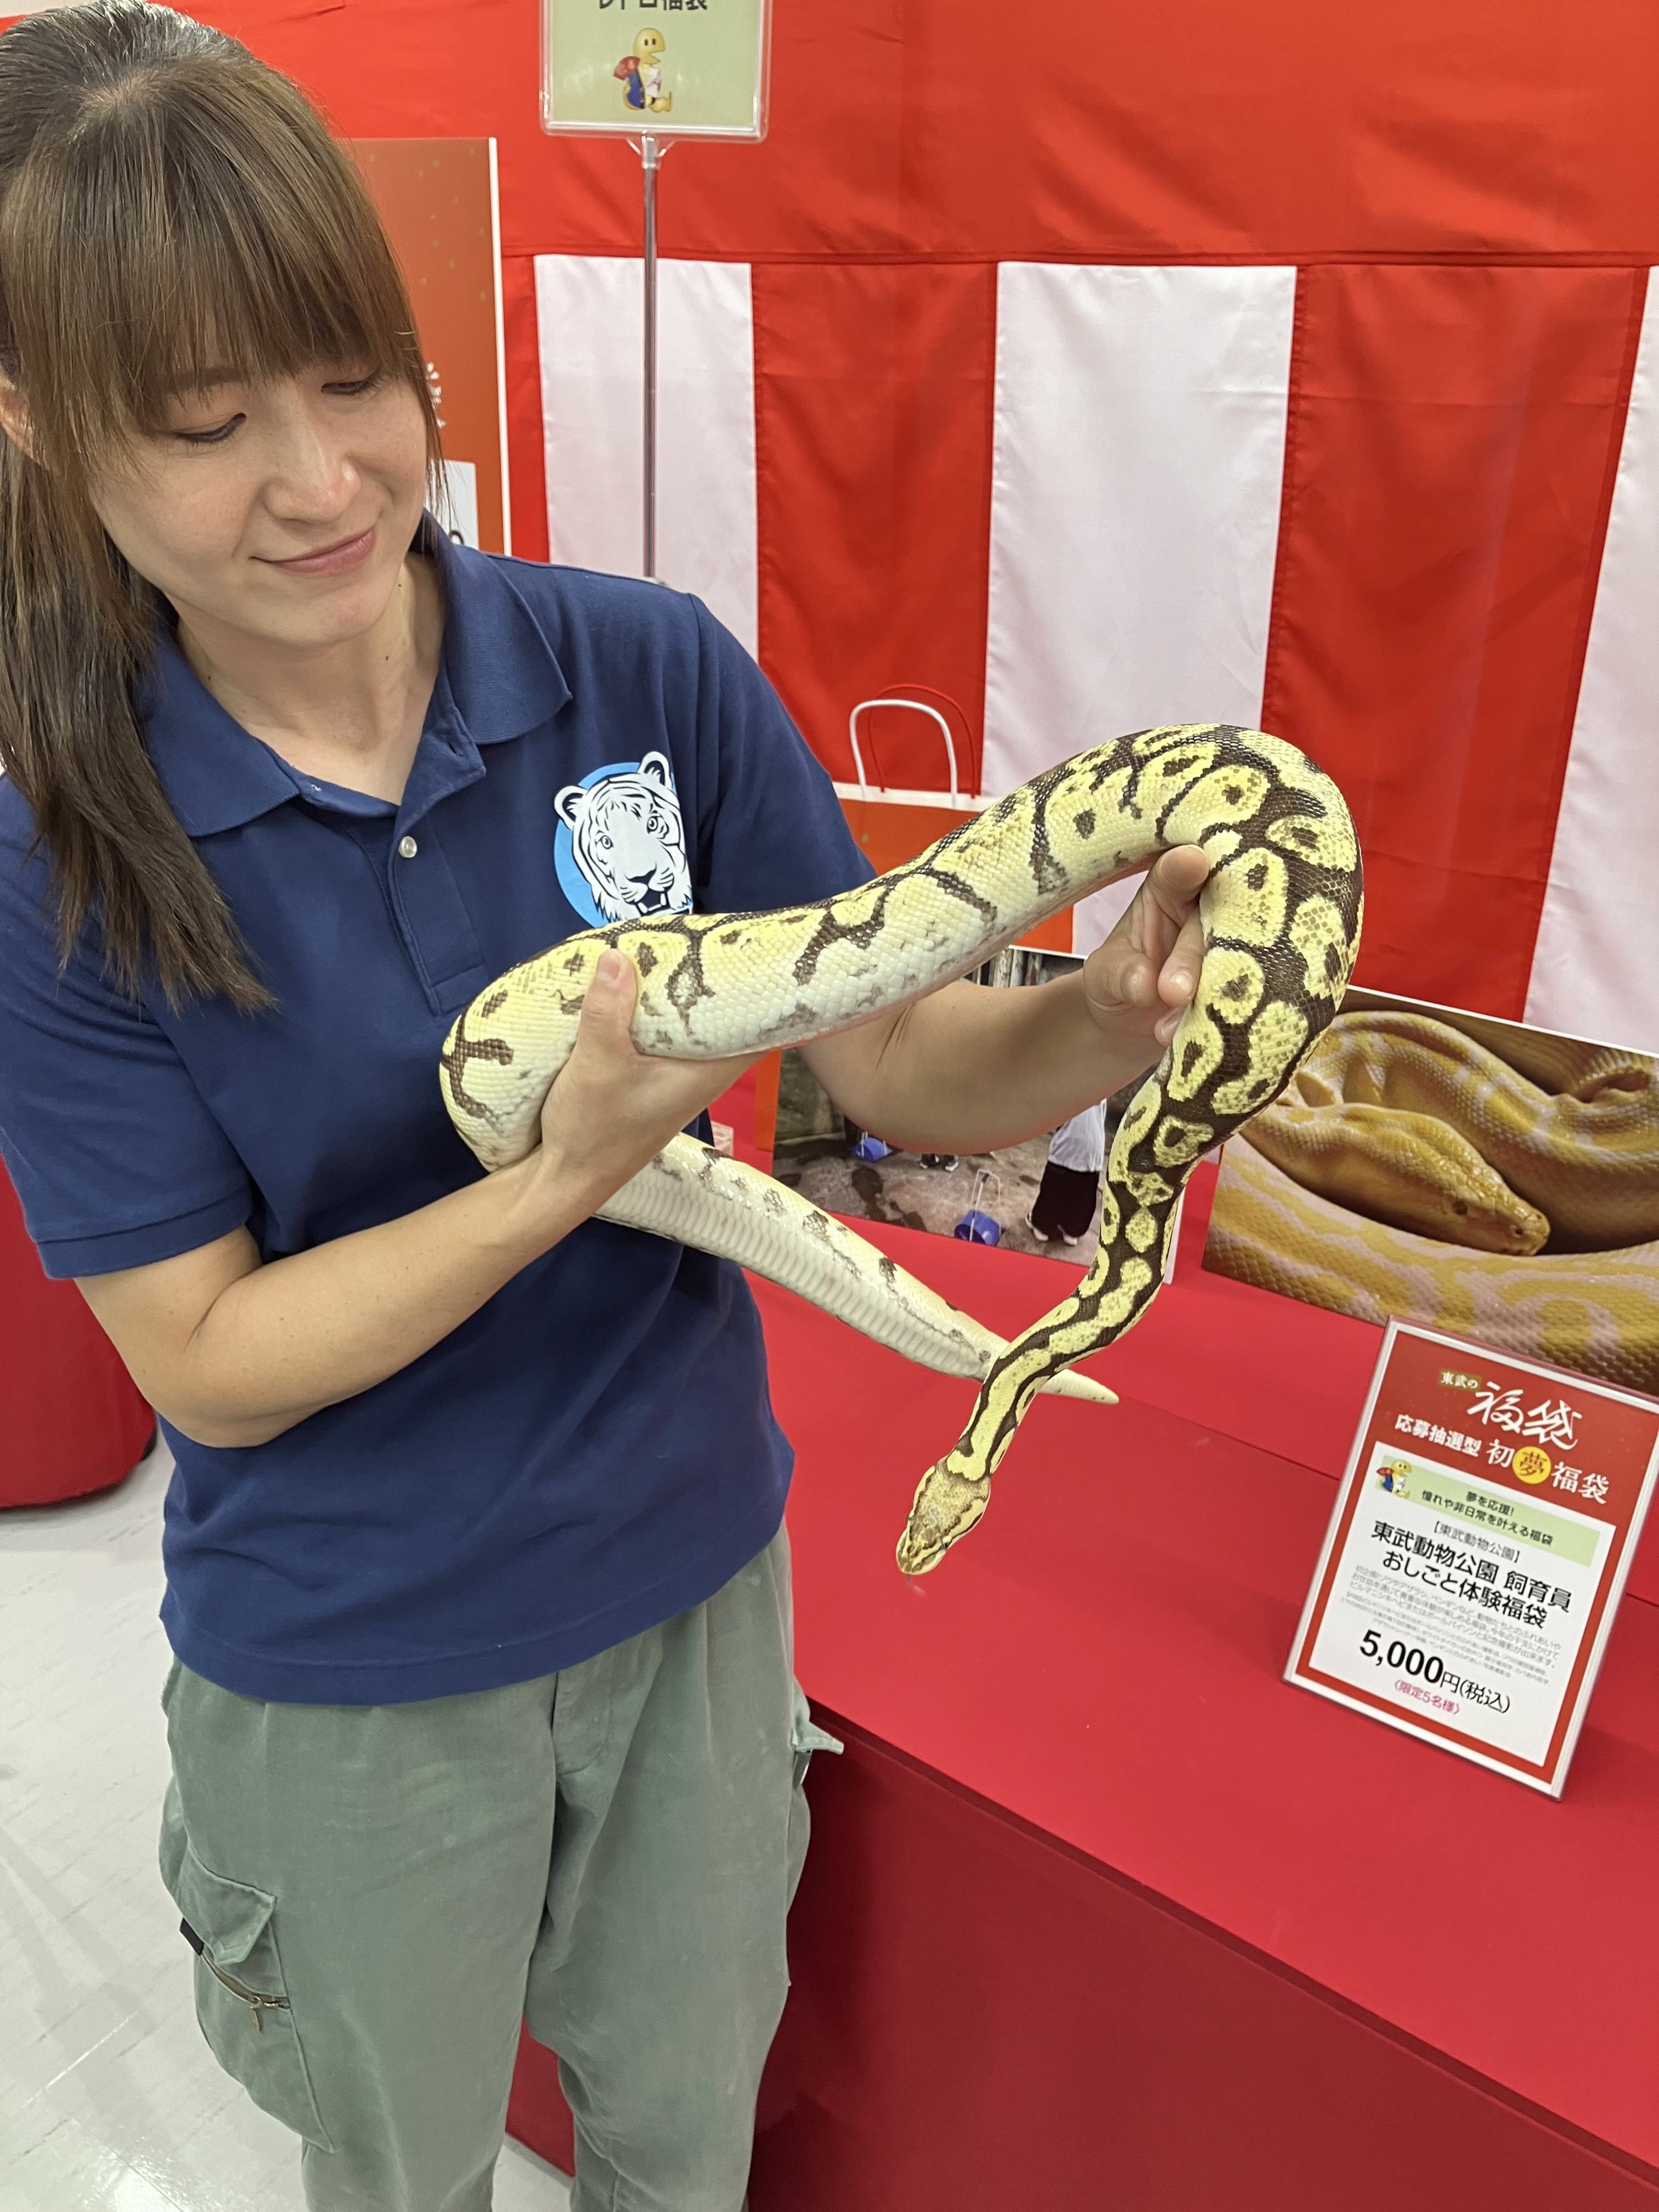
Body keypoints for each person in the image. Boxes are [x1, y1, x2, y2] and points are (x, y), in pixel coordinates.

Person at [0, 8, 1211, 2208]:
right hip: (354, 1666)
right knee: (402, 2168)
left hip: (689, 1583)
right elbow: (211, 1364)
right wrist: (569, 1175)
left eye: (360, 378)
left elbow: (893, 1057)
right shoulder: (59, 848)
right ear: (33, 427)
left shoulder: (639, 670)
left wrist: (1109, 1019)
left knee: (684, 2130)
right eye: (205, 425)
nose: (321, 479)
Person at [1027, 1099, 1107, 1246]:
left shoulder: (1070, 1084)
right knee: (1082, 1197)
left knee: (1054, 1191)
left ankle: (1043, 1227)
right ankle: (1072, 1231)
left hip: (1067, 1149)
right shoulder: (1102, 1085)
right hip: (1093, 1152)